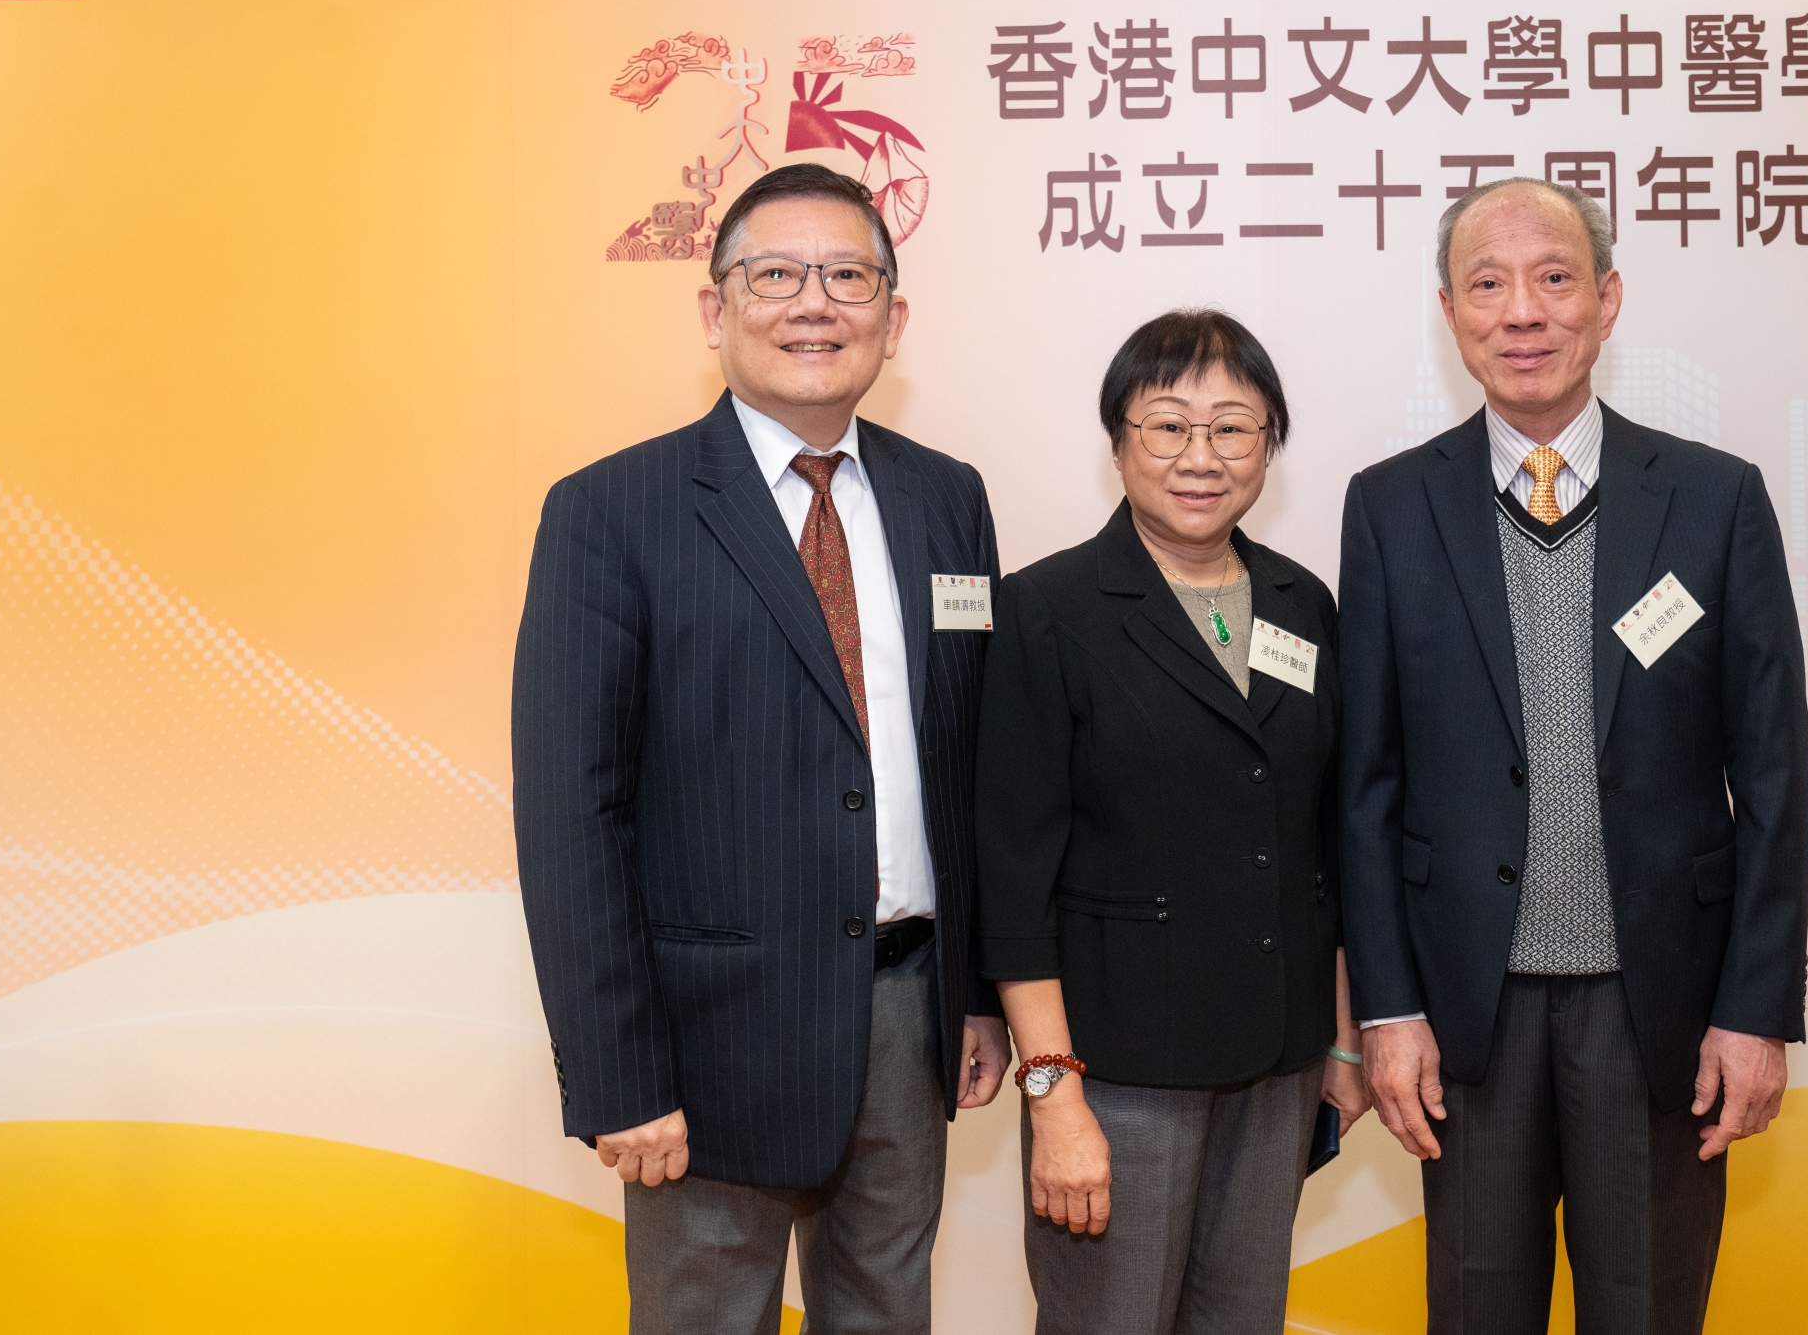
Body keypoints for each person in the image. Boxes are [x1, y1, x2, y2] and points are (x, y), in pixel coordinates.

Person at [512, 162, 1010, 1335]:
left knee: (887, 1311)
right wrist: (617, 1075)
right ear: (715, 307)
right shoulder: (611, 510)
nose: (813, 304)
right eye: (776, 275)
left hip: (907, 1015)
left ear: (892, 315)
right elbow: (573, 816)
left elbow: (969, 763)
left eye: (847, 277)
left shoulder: (948, 500)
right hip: (705, 1039)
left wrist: (976, 994)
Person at [1337, 178, 1808, 1334]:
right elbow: (1364, 788)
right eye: (1485, 285)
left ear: (1605, 300)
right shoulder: (1389, 508)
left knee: (1644, 1311)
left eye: (1552, 279)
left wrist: (1754, 1010)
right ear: (1448, 313)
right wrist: (1386, 1010)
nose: (1521, 312)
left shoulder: (1712, 500)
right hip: (1466, 1016)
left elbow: (1772, 776)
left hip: (1659, 1011)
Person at [975, 310, 1369, 1335]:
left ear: (1268, 446)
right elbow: (1012, 875)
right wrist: (1053, 1093)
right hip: (1118, 1070)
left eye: (1233, 428)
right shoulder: (1048, 609)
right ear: (1119, 441)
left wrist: (1340, 1041)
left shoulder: (1302, 603)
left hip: (1278, 1062)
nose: (1202, 457)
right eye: (1167, 426)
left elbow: (1326, 841)